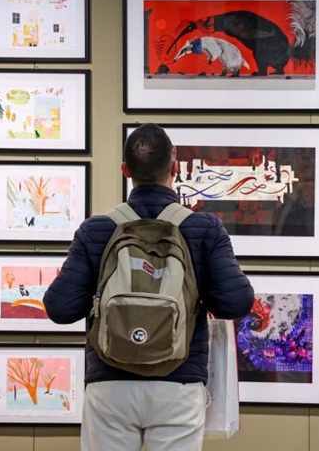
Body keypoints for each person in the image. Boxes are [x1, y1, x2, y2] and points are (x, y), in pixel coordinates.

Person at [44, 123, 255, 451]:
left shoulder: (96, 230)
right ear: (175, 167)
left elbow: (60, 308)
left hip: (109, 382)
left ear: (125, 170)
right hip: (179, 383)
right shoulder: (204, 229)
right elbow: (237, 302)